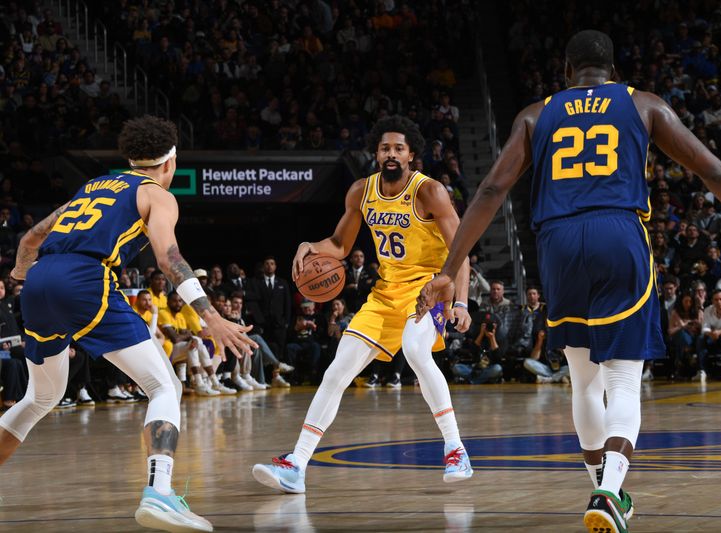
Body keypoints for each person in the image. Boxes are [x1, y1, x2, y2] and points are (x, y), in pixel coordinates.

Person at [416, 30, 721, 533]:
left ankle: (602, 485)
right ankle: (610, 490)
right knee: (622, 379)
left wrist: (448, 270)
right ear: (612, 71)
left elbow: (491, 188)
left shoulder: (535, 114)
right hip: (618, 231)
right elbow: (711, 168)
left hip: (558, 242)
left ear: (567, 73)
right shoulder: (644, 105)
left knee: (583, 378)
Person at [0, 115, 256, 532]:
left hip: (40, 281)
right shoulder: (157, 194)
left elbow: (30, 240)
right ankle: (159, 493)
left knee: (40, 398)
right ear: (170, 162)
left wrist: (26, 277)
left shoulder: (94, 186)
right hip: (85, 280)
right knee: (165, 386)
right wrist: (212, 316)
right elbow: (168, 259)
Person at [253, 115, 474, 494]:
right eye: (385, 147)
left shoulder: (430, 192)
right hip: (386, 293)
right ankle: (297, 465)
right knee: (337, 371)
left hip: (429, 289)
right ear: (376, 152)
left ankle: (455, 448)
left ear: (412, 155)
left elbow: (462, 249)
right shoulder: (361, 191)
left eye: (399, 149)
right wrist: (312, 246)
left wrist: (463, 302)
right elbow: (340, 246)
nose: (391, 154)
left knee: (416, 350)